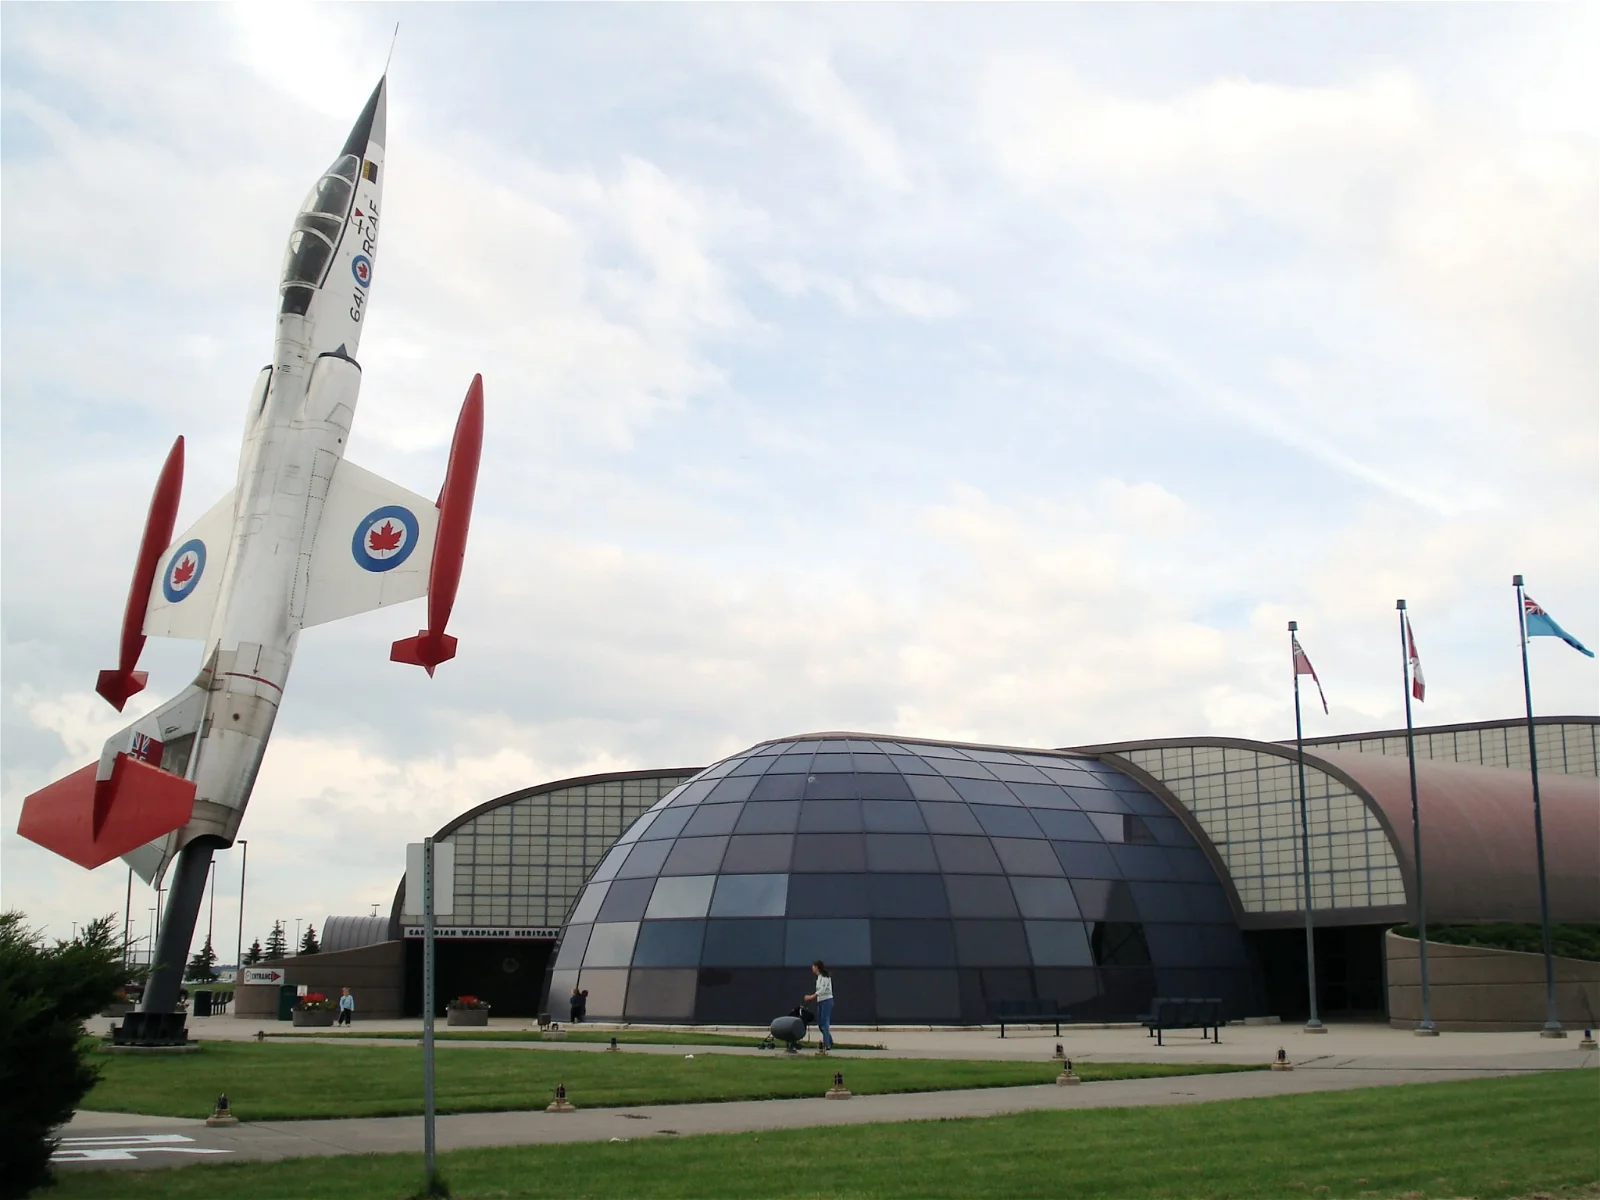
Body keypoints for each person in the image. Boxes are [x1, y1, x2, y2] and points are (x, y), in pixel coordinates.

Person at [803, 960, 834, 1054]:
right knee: (820, 1024)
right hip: (820, 1001)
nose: (812, 968)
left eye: (813, 966)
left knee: (825, 1023)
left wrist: (811, 996)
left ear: (817, 967)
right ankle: (830, 1041)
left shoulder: (825, 977)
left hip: (827, 1001)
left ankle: (827, 1044)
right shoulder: (819, 977)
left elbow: (822, 990)